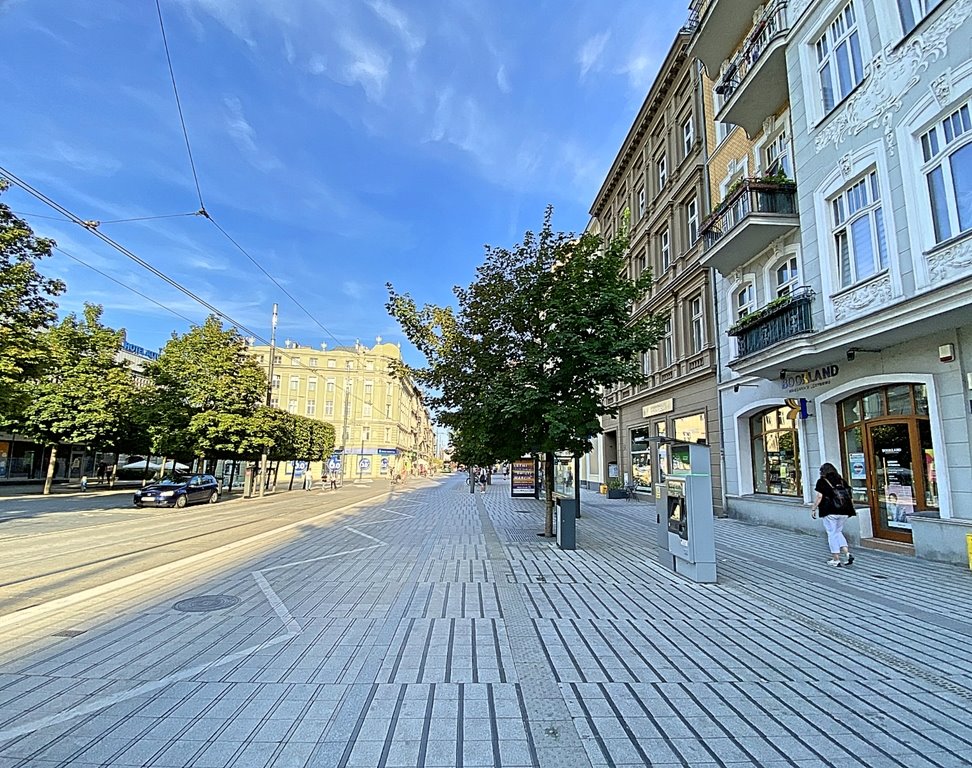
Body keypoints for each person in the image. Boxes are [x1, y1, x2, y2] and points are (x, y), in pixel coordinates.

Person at [810, 462, 856, 567]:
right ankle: (847, 553)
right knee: (837, 531)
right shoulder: (842, 481)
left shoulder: (822, 481)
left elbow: (819, 497)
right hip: (844, 511)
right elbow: (850, 497)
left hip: (830, 511)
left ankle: (836, 558)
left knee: (831, 533)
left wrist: (813, 508)